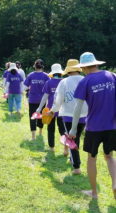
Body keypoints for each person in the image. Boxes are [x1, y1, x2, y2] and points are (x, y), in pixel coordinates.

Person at [68, 52, 116, 199]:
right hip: (112, 126)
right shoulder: (112, 76)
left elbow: (77, 107)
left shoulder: (85, 81)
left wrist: (73, 128)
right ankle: (115, 183)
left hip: (94, 126)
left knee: (92, 158)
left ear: (83, 68)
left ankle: (94, 193)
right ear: (96, 63)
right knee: (109, 156)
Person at [46, 59, 88, 175]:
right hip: (84, 114)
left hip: (69, 114)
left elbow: (58, 100)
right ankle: (72, 158)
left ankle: (76, 167)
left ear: (68, 70)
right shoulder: (85, 80)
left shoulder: (64, 82)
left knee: (71, 139)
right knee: (76, 137)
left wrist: (52, 111)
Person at [35, 63, 65, 151]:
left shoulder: (49, 82)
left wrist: (39, 108)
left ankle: (51, 148)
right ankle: (65, 147)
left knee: (51, 129)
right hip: (62, 110)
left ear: (52, 73)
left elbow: (45, 97)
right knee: (62, 129)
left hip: (50, 110)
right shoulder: (64, 82)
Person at [23, 59, 50, 141]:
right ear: (42, 67)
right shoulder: (46, 76)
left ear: (34, 66)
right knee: (41, 116)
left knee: (32, 117)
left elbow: (25, 88)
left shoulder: (30, 75)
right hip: (42, 100)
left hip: (32, 99)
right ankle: (40, 132)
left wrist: (29, 88)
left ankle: (33, 137)